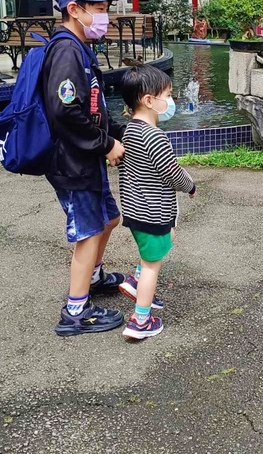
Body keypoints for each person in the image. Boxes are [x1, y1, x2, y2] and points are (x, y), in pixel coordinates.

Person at [43, 0, 130, 336]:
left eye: (106, 7)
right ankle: (75, 313)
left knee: (108, 220)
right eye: (98, 7)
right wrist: (106, 144)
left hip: (84, 158)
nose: (105, 15)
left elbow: (90, 109)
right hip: (73, 161)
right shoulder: (66, 50)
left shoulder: (78, 48)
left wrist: (122, 133)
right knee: (88, 232)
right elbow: (65, 112)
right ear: (74, 10)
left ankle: (92, 277)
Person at [116, 64, 196, 340]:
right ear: (149, 100)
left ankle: (137, 281)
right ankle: (141, 320)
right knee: (153, 265)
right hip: (153, 212)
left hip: (135, 210)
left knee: (156, 248)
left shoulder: (129, 131)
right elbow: (172, 172)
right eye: (168, 95)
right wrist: (190, 186)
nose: (171, 101)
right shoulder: (156, 137)